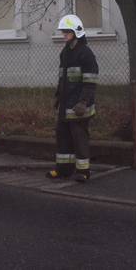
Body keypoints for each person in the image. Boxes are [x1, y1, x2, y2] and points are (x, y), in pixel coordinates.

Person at [47, 14, 98, 183]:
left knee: (79, 137)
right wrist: (58, 96)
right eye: (63, 32)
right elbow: (63, 78)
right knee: (62, 136)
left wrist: (83, 102)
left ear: (76, 32)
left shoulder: (86, 54)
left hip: (78, 106)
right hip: (66, 105)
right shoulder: (66, 52)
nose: (64, 35)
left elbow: (90, 82)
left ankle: (83, 171)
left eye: (67, 32)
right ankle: (63, 169)